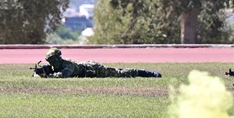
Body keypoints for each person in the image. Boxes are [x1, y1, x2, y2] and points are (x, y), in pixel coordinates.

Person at [33, 48, 162, 78]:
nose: (51, 63)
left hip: (94, 69)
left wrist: (47, 76)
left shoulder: (67, 66)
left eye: (52, 60)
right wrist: (40, 72)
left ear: (57, 58)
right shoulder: (57, 65)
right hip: (87, 66)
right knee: (116, 70)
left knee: (120, 74)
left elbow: (63, 75)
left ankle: (146, 73)